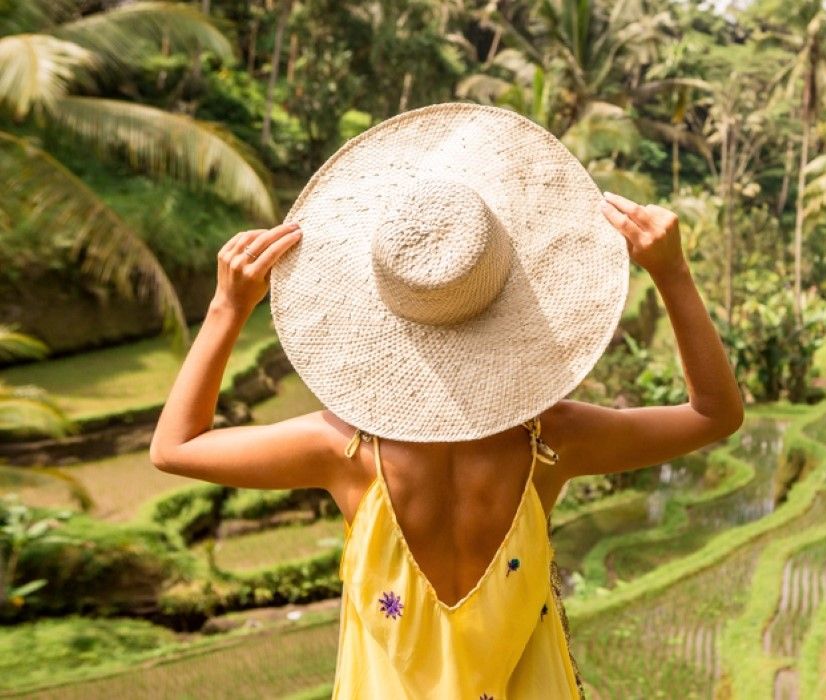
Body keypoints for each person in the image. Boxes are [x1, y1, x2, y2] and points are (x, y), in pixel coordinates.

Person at [149, 103, 743, 699]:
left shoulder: (344, 449)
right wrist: (672, 273)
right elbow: (715, 413)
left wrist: (227, 309)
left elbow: (175, 447)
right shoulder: (552, 440)